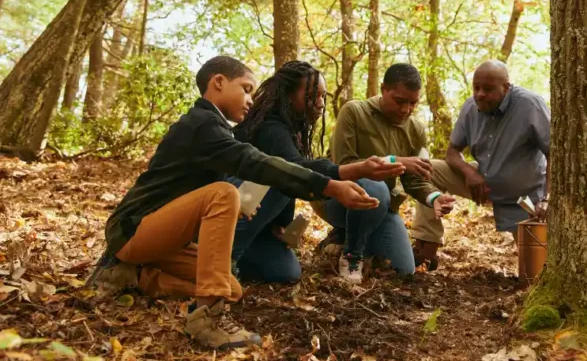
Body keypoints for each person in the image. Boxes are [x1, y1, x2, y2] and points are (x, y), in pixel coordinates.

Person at [92, 56, 379, 350]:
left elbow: (196, 187)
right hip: (133, 230)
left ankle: (134, 275)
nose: (251, 100)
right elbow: (254, 162)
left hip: (162, 238)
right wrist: (329, 185)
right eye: (246, 89)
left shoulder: (214, 127)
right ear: (218, 83)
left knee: (232, 287)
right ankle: (207, 319)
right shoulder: (202, 124)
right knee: (224, 195)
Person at [230, 61, 405, 284]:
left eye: (323, 96)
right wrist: (355, 169)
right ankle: (223, 257)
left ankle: (239, 253)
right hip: (229, 215)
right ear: (288, 95)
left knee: (286, 272)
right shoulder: (269, 127)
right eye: (313, 96)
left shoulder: (292, 131)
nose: (320, 104)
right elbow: (294, 170)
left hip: (254, 223)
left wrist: (280, 225)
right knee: (286, 172)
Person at [411, 60, 550, 270]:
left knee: (534, 273)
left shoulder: (530, 105)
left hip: (524, 198)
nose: (480, 94)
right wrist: (469, 172)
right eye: (476, 87)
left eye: (488, 89)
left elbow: (555, 153)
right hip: (482, 184)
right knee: (426, 169)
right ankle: (426, 246)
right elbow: (452, 152)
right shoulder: (470, 107)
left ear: (506, 87)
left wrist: (547, 199)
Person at [322, 63, 456, 279]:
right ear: (384, 89)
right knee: (376, 187)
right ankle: (352, 254)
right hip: (338, 198)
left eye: (413, 103)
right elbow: (344, 165)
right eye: (400, 101)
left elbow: (414, 180)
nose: (406, 109)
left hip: (381, 206)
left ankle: (346, 237)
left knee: (403, 270)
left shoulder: (416, 129)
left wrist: (434, 197)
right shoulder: (354, 112)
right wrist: (395, 160)